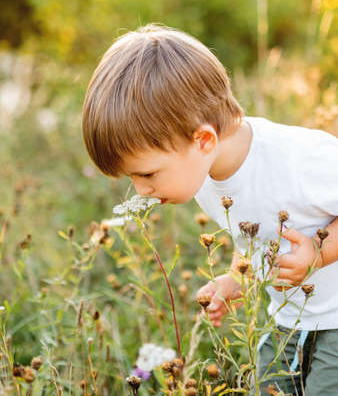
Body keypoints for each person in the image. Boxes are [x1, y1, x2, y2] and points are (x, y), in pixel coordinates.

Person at [82, 24, 338, 395]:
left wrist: (319, 251)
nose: (141, 191)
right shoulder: (206, 176)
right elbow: (251, 233)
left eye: (148, 173)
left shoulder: (302, 160)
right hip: (287, 322)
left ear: (203, 140)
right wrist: (237, 278)